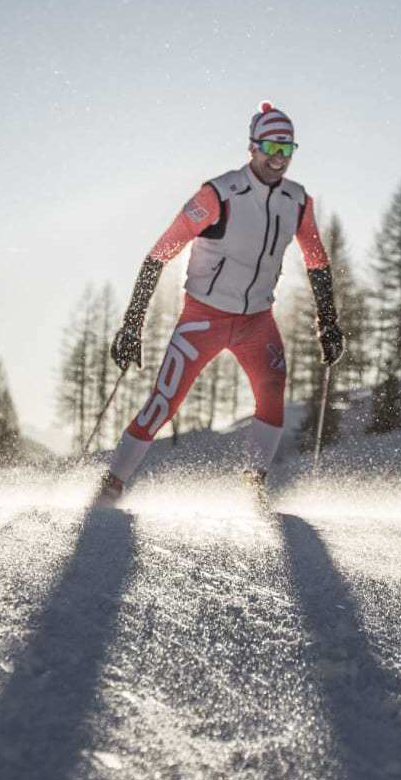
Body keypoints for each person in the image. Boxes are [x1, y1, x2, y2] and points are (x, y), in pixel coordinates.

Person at [94, 101, 344, 507]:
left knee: (272, 392)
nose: (279, 159)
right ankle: (112, 484)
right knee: (164, 402)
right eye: (271, 148)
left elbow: (317, 261)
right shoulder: (219, 194)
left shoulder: (298, 202)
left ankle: (254, 485)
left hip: (257, 321)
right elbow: (160, 253)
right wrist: (132, 323)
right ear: (252, 147)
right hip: (204, 316)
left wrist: (328, 322)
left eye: (288, 150)